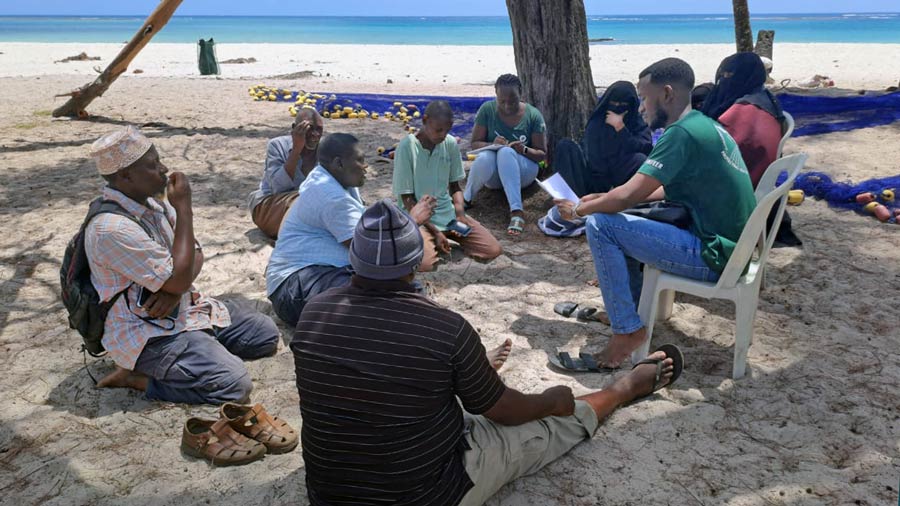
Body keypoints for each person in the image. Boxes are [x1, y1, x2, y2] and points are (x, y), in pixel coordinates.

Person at [292, 199, 683, 506]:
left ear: (352, 257)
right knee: (549, 423)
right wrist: (552, 401)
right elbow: (502, 412)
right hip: (426, 494)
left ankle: (470, 375)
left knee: (422, 395)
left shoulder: (314, 312)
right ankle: (626, 388)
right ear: (417, 263)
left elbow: (363, 383)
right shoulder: (443, 328)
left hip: (329, 495)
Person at [555, 58, 757, 368]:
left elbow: (627, 197)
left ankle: (626, 331)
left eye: (644, 98)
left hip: (718, 257)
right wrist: (607, 197)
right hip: (738, 251)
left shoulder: (681, 134)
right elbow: (657, 190)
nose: (639, 108)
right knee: (624, 218)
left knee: (600, 224)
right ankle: (629, 313)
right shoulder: (705, 125)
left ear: (666, 94)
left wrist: (581, 208)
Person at [85, 126, 279, 404]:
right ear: (126, 176)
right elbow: (182, 271)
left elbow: (192, 256)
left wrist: (175, 289)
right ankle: (136, 378)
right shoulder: (111, 228)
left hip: (184, 308)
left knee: (264, 335)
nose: (163, 169)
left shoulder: (151, 205)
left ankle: (199, 353)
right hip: (147, 332)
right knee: (234, 385)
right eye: (152, 166)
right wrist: (184, 209)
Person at [265, 133, 435, 328]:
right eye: (360, 160)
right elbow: (370, 252)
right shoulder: (330, 195)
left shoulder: (335, 180)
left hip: (315, 276)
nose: (365, 166)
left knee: (397, 290)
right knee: (376, 299)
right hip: (293, 287)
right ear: (339, 163)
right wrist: (413, 220)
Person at [701, 52, 801, 246]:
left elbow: (712, 156)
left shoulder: (741, 112)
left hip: (738, 195)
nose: (723, 80)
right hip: (759, 186)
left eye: (728, 75)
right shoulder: (765, 100)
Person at [393, 100, 502, 271]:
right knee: (424, 264)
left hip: (448, 216)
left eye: (447, 130)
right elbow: (407, 199)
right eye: (438, 130)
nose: (443, 135)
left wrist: (460, 215)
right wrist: (435, 231)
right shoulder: (407, 147)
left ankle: (438, 238)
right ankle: (430, 238)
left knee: (492, 249)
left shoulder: (450, 144)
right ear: (424, 120)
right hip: (419, 219)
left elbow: (455, 187)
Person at [541, 81, 652, 237]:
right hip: (596, 179)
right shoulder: (598, 121)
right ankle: (571, 200)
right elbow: (592, 157)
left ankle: (627, 203)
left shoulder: (636, 122)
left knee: (640, 159)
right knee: (565, 146)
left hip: (623, 180)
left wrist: (621, 129)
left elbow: (645, 147)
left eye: (623, 104)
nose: (618, 107)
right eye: (614, 103)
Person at [463, 74, 547, 236]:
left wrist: (523, 150)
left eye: (513, 100)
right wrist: (491, 144)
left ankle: (516, 211)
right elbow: (475, 144)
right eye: (502, 101)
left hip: (523, 173)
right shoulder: (487, 110)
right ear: (496, 94)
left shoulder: (533, 115)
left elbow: (541, 154)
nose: (507, 105)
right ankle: (466, 200)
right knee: (486, 156)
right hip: (494, 178)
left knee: (506, 152)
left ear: (521, 93)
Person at [247, 107, 324, 239]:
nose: (315, 134)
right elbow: (279, 187)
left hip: (308, 207)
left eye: (319, 130)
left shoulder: (324, 151)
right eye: (310, 128)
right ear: (295, 128)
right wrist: (296, 149)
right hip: (271, 205)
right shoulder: (277, 145)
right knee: (304, 203)